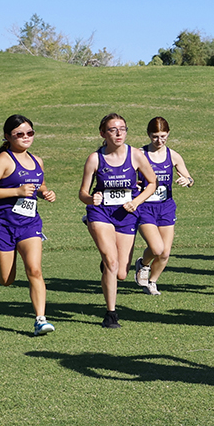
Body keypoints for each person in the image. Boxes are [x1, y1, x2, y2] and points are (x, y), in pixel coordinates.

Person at [0, 115, 57, 335]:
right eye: (19, 134)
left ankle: (40, 319)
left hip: (29, 224)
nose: (25, 137)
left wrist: (45, 192)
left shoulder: (37, 161)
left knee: (35, 270)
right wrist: (17, 191)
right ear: (7, 137)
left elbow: (38, 185)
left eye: (29, 133)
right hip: (2, 224)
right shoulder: (3, 160)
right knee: (7, 279)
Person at [79, 113, 157, 328]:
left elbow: (152, 183)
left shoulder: (136, 155)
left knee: (121, 272)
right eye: (113, 129)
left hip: (126, 214)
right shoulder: (95, 159)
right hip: (100, 214)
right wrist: (91, 199)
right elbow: (83, 193)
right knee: (112, 262)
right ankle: (111, 314)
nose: (119, 133)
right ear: (103, 133)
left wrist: (137, 202)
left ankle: (108, 268)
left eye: (122, 128)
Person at [133, 117, 193, 296]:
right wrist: (133, 185)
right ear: (148, 135)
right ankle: (143, 264)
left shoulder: (173, 156)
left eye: (163, 136)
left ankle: (152, 281)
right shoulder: (139, 154)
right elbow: (126, 176)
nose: (159, 141)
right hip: (144, 207)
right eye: (155, 137)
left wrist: (186, 180)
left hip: (166, 207)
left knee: (165, 253)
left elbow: (190, 179)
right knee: (156, 248)